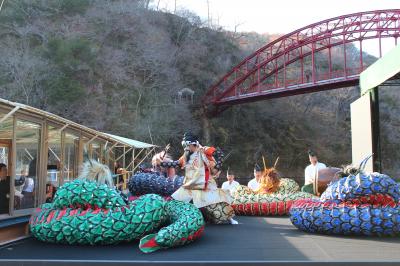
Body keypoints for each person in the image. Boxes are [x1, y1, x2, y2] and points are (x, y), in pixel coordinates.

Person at [157, 132, 238, 225]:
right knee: (178, 199)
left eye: (187, 145)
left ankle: (230, 219)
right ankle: (172, 217)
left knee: (216, 202)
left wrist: (217, 167)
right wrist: (162, 163)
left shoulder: (204, 150)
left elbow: (220, 154)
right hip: (191, 183)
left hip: (206, 183)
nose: (185, 148)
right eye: (184, 145)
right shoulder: (186, 154)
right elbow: (177, 163)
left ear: (193, 143)